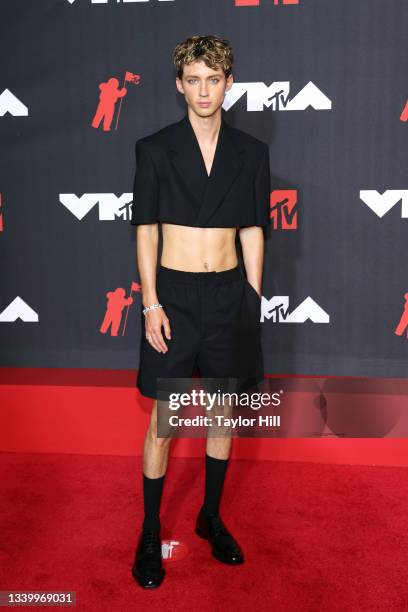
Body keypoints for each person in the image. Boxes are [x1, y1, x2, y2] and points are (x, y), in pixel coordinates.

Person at [129, 34, 271, 588]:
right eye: (194, 79)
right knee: (165, 424)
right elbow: (145, 231)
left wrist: (252, 296)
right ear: (179, 85)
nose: (204, 90)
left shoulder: (252, 153)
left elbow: (255, 227)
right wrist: (151, 302)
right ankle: (148, 531)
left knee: (220, 415)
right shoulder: (155, 148)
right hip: (176, 299)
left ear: (229, 83)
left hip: (229, 296)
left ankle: (210, 516)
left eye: (214, 79)